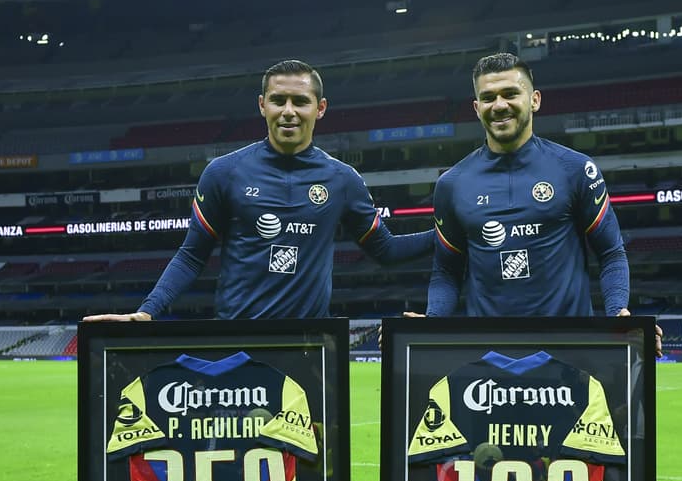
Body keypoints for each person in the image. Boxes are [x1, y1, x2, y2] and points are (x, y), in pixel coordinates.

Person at [85, 59, 432, 321]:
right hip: (238, 339)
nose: (288, 111)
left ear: (320, 108)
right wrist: (148, 310)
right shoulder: (223, 173)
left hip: (311, 346)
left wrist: (448, 233)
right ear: (262, 105)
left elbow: (386, 249)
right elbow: (192, 255)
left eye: (300, 101)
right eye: (278, 100)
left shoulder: (343, 180)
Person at [426, 52, 632, 320]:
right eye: (488, 98)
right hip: (489, 344)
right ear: (477, 108)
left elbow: (611, 252)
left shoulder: (576, 169)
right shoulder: (451, 184)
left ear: (534, 100)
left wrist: (618, 312)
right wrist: (432, 319)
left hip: (568, 343)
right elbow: (446, 271)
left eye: (510, 94)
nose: (499, 105)